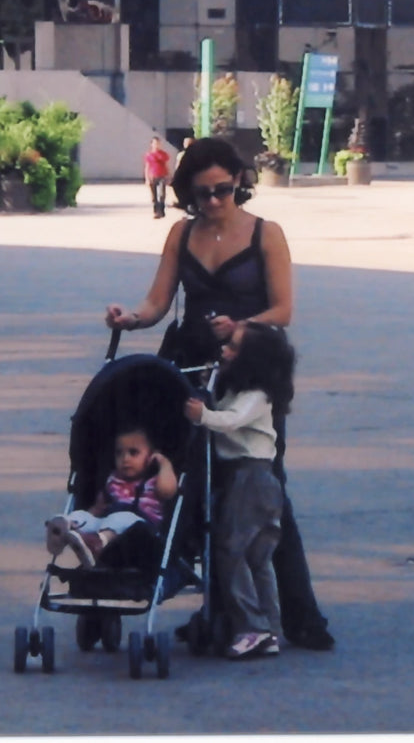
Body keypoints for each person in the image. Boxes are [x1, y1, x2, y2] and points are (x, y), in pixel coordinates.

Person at [102, 136, 334, 650]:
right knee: (190, 485)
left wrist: (242, 324)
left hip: (249, 366)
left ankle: (299, 617)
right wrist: (131, 318)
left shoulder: (265, 234)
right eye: (201, 193)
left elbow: (283, 311)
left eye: (222, 191)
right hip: (187, 364)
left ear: (239, 185)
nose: (211, 203)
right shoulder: (182, 234)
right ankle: (220, 611)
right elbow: (159, 301)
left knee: (260, 487)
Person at [185, 321, 296, 659]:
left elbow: (229, 421)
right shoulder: (241, 390)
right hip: (256, 479)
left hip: (250, 476)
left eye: (233, 347)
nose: (224, 351)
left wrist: (202, 415)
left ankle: (253, 626)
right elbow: (226, 412)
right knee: (257, 558)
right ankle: (270, 628)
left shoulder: (257, 396)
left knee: (231, 550)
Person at [45, 424, 177, 566]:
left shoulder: (154, 481)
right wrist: (89, 515)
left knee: (122, 518)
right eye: (119, 453)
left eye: (133, 452)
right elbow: (98, 509)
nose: (125, 458)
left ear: (152, 456)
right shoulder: (113, 480)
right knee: (81, 515)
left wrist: (164, 464)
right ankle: (65, 531)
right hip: (107, 523)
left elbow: (167, 491)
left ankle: (97, 543)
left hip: (141, 531)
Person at [144, 135, 171, 218]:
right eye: (155, 143)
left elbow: (166, 165)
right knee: (154, 195)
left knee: (162, 194)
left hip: (162, 176)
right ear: (151, 144)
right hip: (153, 176)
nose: (157, 145)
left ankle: (162, 210)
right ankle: (156, 211)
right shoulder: (149, 155)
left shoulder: (164, 154)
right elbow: (147, 167)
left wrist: (169, 176)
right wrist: (147, 178)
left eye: (158, 143)